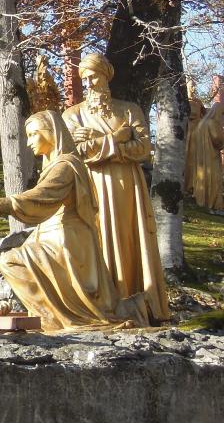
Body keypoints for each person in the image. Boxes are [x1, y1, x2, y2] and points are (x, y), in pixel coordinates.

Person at [0, 110, 147, 330]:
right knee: (10, 261)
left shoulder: (65, 164)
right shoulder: (55, 165)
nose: (29, 141)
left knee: (10, 261)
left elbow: (43, 196)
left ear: (51, 133)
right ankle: (51, 315)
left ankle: (62, 317)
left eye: (34, 134)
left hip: (68, 241)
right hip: (53, 236)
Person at [61, 52, 169, 323]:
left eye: (94, 76)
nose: (90, 83)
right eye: (85, 78)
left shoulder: (129, 109)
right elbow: (76, 152)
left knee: (128, 236)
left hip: (126, 186)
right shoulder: (73, 115)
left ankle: (137, 299)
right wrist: (115, 139)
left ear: (106, 75)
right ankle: (103, 304)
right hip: (92, 184)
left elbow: (143, 148)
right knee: (95, 236)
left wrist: (101, 143)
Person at [185, 102, 224, 210]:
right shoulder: (212, 124)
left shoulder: (201, 124)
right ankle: (213, 203)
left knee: (202, 179)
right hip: (211, 157)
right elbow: (219, 140)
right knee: (214, 180)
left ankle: (202, 201)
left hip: (201, 159)